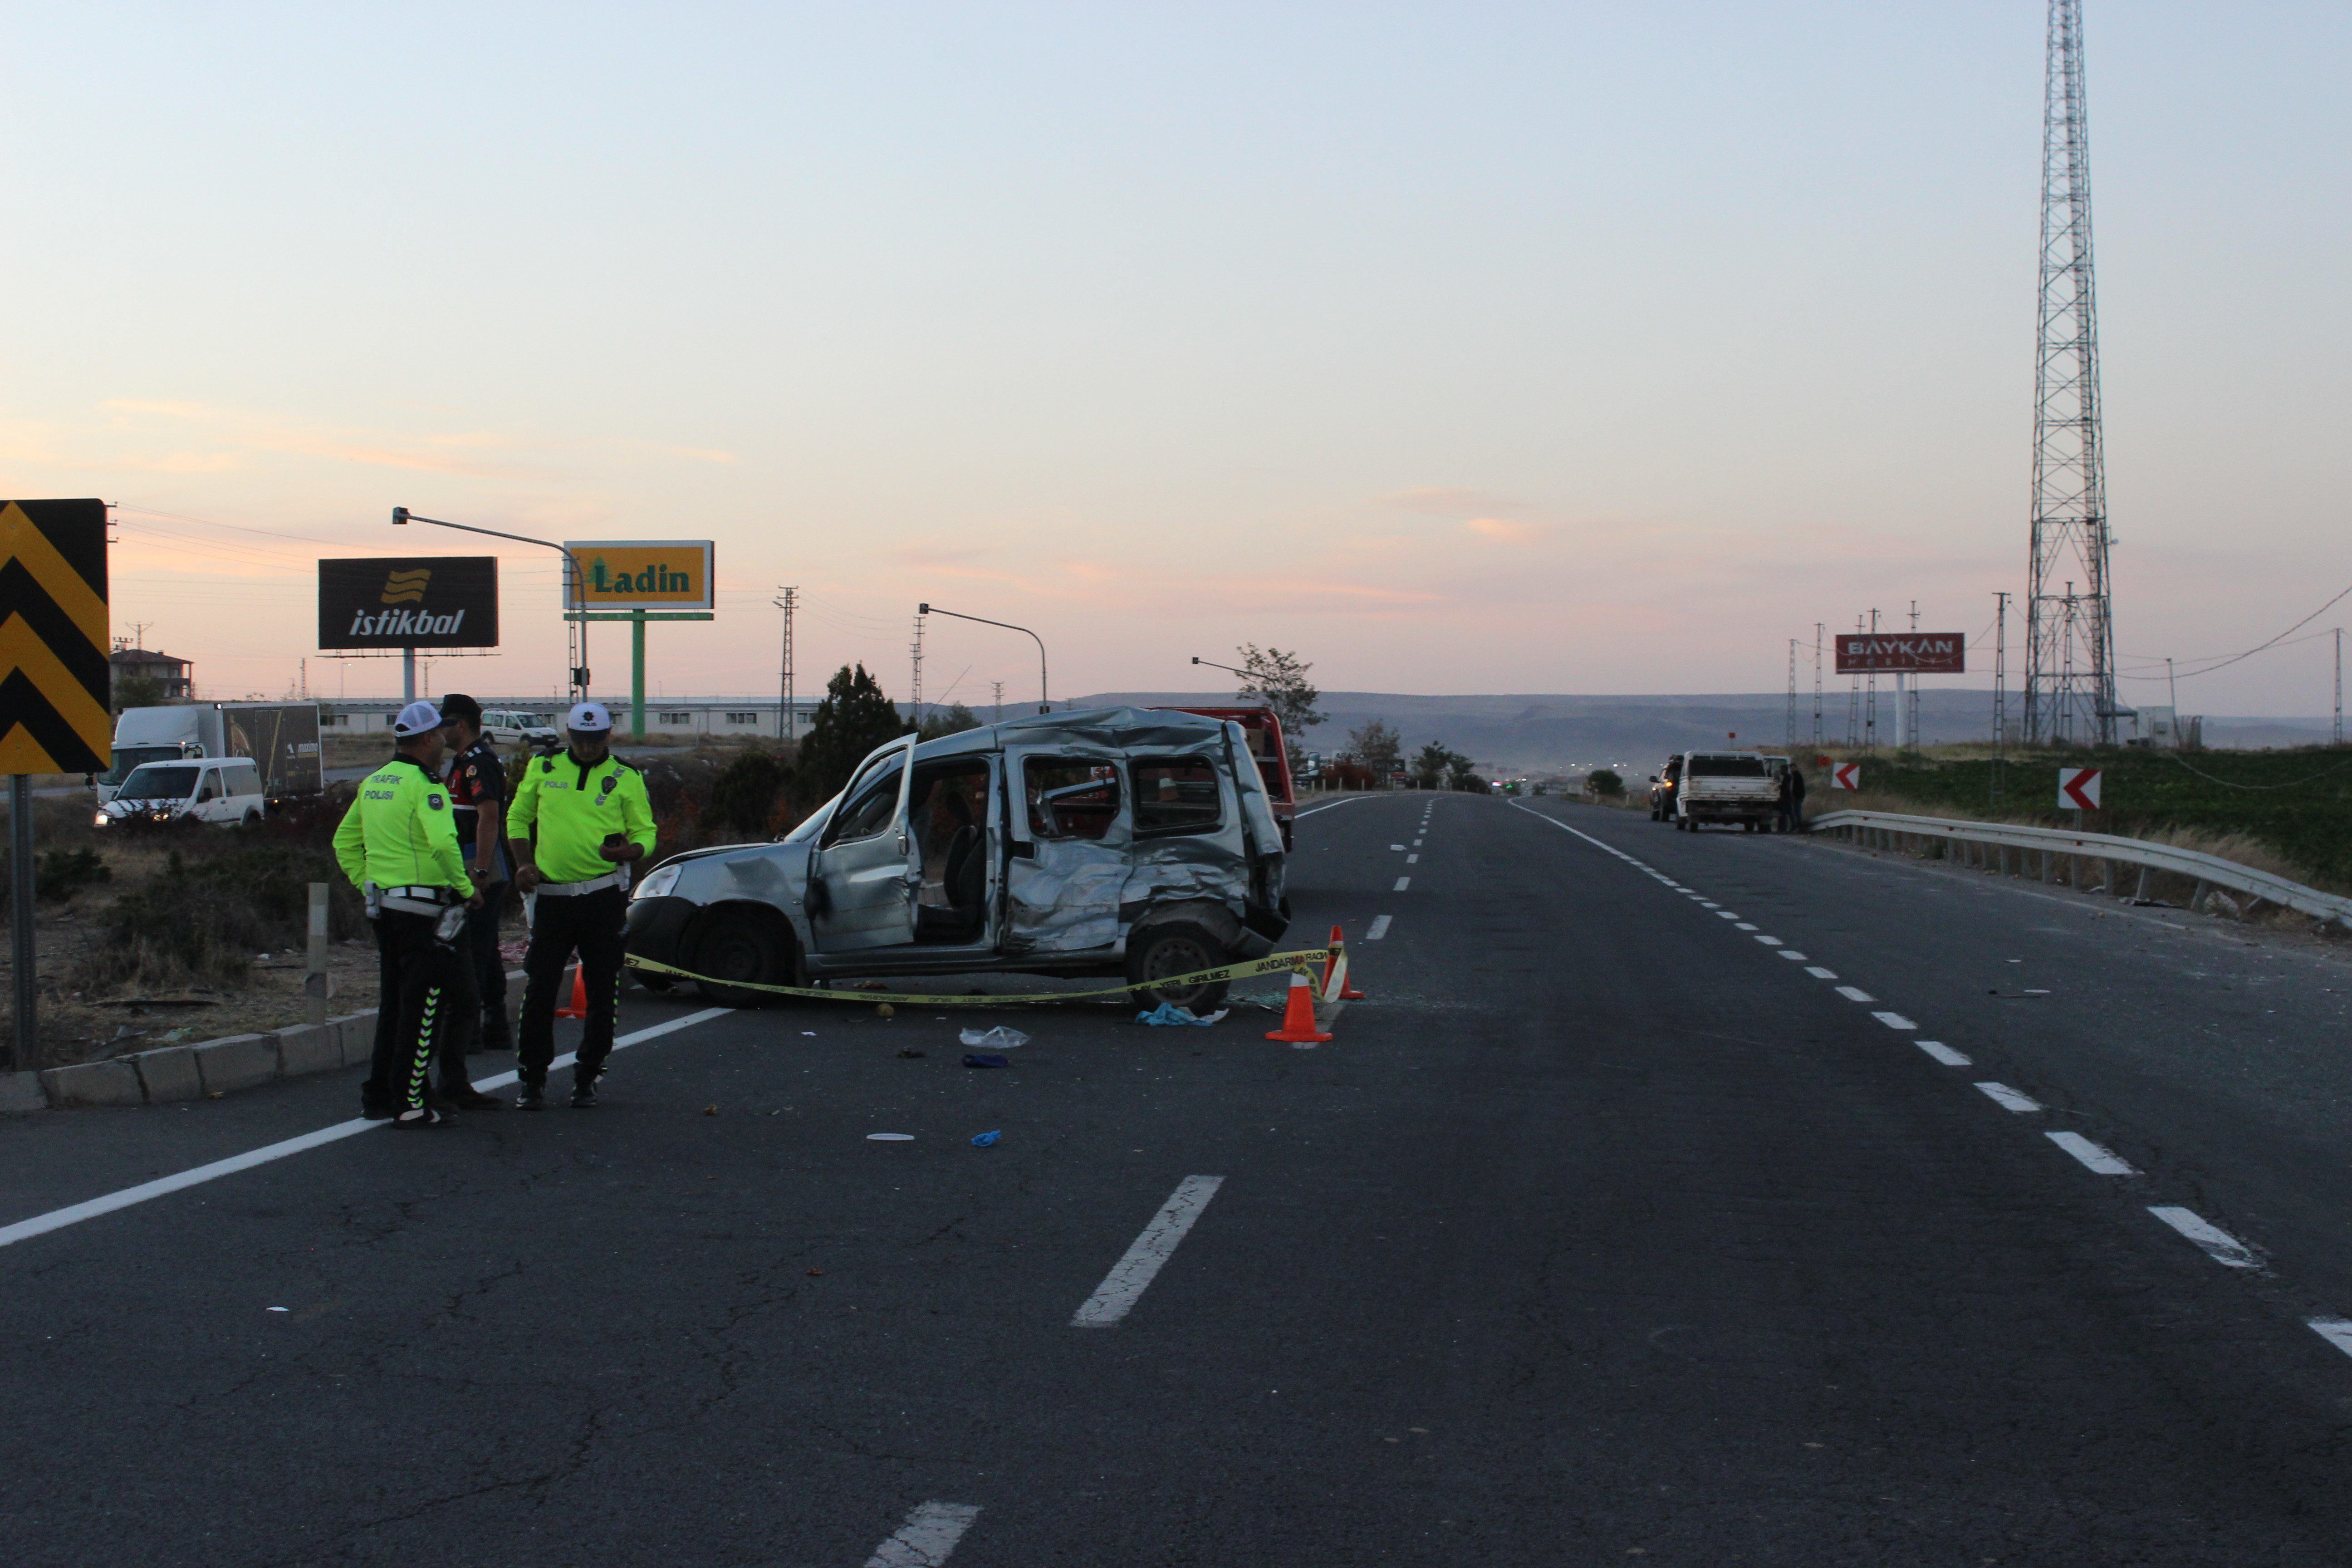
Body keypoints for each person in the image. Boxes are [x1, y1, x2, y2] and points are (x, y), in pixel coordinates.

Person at [331, 701, 485, 1127]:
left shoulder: (375, 782)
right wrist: (466, 888)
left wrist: (368, 881)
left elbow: (344, 843)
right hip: (423, 910)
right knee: (424, 1003)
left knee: (394, 1004)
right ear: (427, 739)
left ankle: (378, 1095)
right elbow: (441, 844)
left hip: (386, 907)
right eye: (438, 736)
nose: (443, 743)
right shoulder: (426, 786)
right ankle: (411, 1101)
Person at [508, 701, 656, 1109]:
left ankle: (588, 1075)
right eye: (580, 740)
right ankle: (532, 1079)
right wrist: (523, 863)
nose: (587, 748)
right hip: (553, 899)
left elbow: (647, 830)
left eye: (595, 740)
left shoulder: (625, 776)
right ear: (568, 735)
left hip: (603, 897)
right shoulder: (544, 767)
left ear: (608, 735)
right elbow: (518, 817)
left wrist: (633, 850)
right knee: (539, 987)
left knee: (602, 988)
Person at [436, 693, 515, 1095]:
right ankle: (496, 1026)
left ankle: (475, 1033)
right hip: (475, 860)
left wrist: (481, 870)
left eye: (444, 723)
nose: (440, 731)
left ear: (461, 724)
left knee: (475, 949)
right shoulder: (463, 762)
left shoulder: (478, 761)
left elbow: (488, 816)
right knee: (486, 945)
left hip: (481, 863)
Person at [1780, 762, 1808, 834]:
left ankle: (1799, 828)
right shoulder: (1793, 776)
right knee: (1795, 813)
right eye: (1791, 768)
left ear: (1796, 768)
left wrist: (1795, 796)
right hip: (1796, 797)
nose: (1792, 769)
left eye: (1793, 768)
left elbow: (1798, 788)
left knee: (1797, 813)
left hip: (1797, 797)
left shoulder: (1797, 776)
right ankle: (1796, 827)